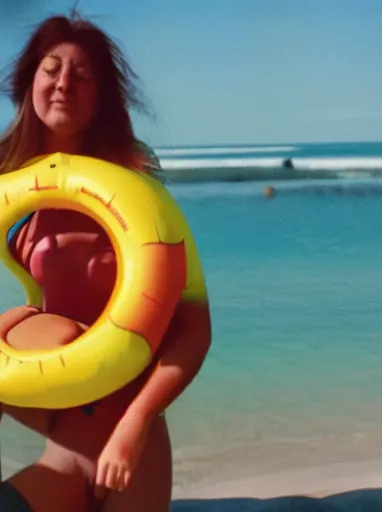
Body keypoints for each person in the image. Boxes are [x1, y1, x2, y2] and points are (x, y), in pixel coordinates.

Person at [0, 11, 211, 512]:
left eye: (82, 75)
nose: (63, 85)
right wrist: (14, 322)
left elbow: (194, 330)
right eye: (51, 69)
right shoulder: (10, 187)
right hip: (64, 450)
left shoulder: (136, 186)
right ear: (30, 80)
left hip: (130, 446)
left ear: (101, 96)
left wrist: (134, 427)